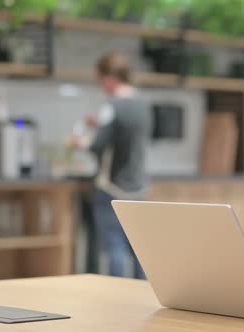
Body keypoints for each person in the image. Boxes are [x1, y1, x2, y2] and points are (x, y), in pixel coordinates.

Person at [70, 51, 152, 279]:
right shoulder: (142, 104)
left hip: (112, 187)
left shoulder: (112, 106)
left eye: (100, 80)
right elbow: (128, 136)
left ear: (110, 77)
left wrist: (80, 142)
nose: (101, 86)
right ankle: (142, 297)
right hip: (138, 187)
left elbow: (98, 146)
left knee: (114, 248)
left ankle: (117, 300)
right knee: (139, 250)